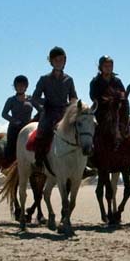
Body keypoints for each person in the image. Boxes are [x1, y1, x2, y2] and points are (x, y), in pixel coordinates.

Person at [30, 47, 78, 175]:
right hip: (49, 112)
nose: (59, 62)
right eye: (56, 60)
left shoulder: (69, 79)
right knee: (42, 132)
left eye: (61, 60)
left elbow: (73, 96)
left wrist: (74, 106)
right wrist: (43, 107)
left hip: (64, 113)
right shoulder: (44, 79)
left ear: (65, 61)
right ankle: (38, 162)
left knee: (80, 131)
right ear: (51, 62)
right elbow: (35, 98)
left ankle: (83, 166)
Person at [0, 75, 35, 164]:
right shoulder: (11, 100)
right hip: (15, 128)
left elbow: (41, 110)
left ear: (26, 87)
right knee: (11, 147)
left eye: (22, 86)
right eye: (18, 86)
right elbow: (4, 114)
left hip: (28, 128)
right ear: (15, 87)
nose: (20, 88)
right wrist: (14, 120)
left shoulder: (31, 99)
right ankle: (7, 164)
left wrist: (34, 120)